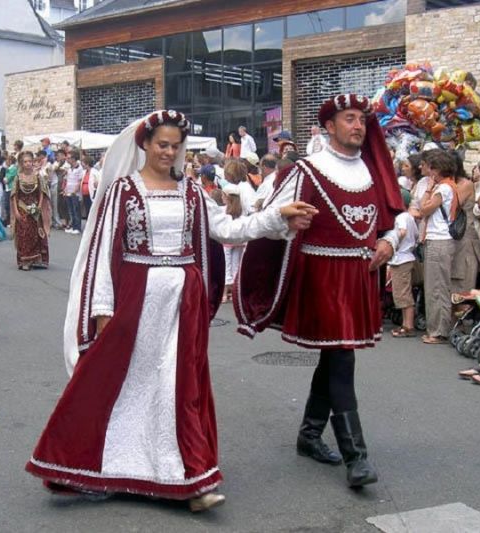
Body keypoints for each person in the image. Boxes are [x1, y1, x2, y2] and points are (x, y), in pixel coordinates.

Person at [25, 109, 316, 511]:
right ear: (144, 144)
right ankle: (106, 465)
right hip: (135, 299)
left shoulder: (191, 190)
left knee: (179, 388)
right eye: (162, 144)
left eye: (176, 145)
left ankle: (189, 478)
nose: (169, 151)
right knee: (123, 385)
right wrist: (102, 309)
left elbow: (228, 230)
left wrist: (276, 218)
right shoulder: (122, 191)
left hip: (184, 303)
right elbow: (103, 251)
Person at [235, 94, 404, 488]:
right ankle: (356, 457)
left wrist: (389, 243)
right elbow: (270, 216)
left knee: (335, 359)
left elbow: (395, 219)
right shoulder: (307, 170)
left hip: (358, 277)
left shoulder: (373, 170)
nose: (358, 125)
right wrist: (288, 223)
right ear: (329, 126)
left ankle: (310, 434)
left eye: (362, 119)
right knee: (343, 359)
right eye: (349, 119)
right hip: (323, 279)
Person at [419, 150, 458, 344]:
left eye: (431, 168)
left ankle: (439, 331)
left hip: (439, 239)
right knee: (436, 285)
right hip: (440, 239)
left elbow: (424, 208)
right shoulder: (449, 186)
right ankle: (436, 328)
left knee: (437, 286)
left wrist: (428, 189)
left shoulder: (443, 188)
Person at [11, 151, 52, 270]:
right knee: (24, 234)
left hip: (35, 209)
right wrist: (16, 212)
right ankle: (25, 260)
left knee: (37, 233)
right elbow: (14, 195)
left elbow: (42, 193)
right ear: (21, 163)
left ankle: (37, 259)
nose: (28, 164)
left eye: (30, 161)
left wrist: (39, 207)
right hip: (22, 208)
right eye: (25, 162)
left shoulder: (38, 176)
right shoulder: (18, 177)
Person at [451, 154, 480, 294]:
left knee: (462, 288)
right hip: (452, 242)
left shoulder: (466, 184)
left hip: (464, 239)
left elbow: (452, 205)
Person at [388, 191, 419, 337]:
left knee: (402, 293)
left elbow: (402, 232)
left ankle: (408, 326)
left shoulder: (400, 217)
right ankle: (406, 324)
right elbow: (417, 235)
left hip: (400, 258)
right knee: (404, 292)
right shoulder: (410, 217)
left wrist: (392, 242)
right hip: (408, 256)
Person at [63, 150, 84, 234]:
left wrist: (75, 191)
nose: (67, 160)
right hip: (68, 191)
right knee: (71, 210)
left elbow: (79, 181)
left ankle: (77, 227)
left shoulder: (79, 168)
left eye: (69, 158)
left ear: (74, 159)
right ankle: (73, 226)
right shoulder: (68, 168)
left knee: (76, 210)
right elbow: (67, 180)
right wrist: (65, 190)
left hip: (75, 193)